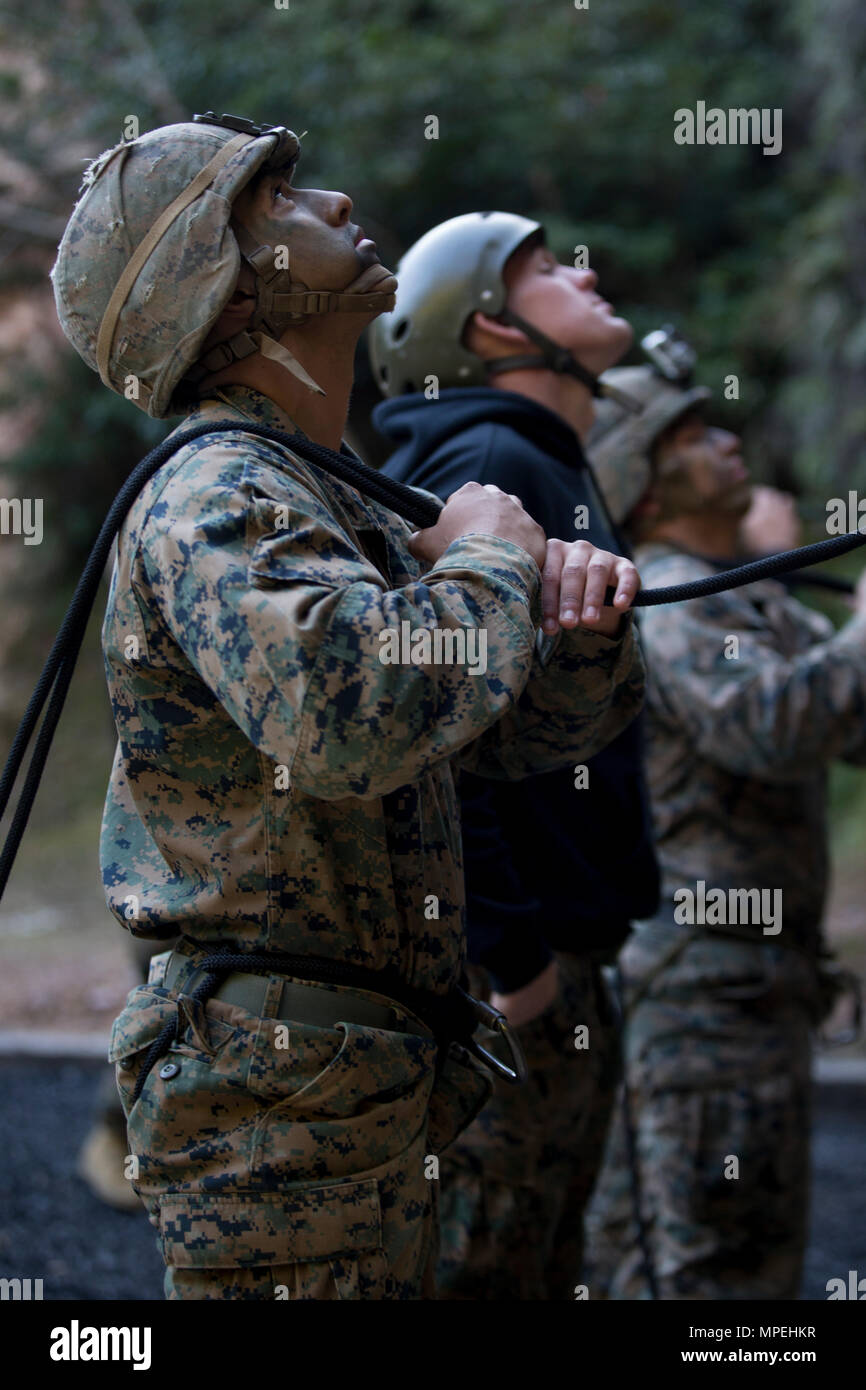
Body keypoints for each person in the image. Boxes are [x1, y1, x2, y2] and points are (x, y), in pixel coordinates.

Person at [50, 114, 645, 1300]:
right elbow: (346, 715)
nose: (327, 202)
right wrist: (484, 564)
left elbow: (504, 738)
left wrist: (577, 631)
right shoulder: (218, 491)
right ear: (219, 297)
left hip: (363, 1079)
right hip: (283, 1099)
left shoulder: (334, 496)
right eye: (274, 201)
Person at [369, 213, 659, 1299]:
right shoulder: (489, 463)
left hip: (561, 963)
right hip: (521, 984)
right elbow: (431, 734)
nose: (586, 268)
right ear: (488, 325)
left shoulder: (535, 459)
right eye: (545, 267)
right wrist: (510, 965)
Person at [582, 347, 866, 1300]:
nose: (730, 440)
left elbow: (842, 719)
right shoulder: (674, 602)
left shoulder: (739, 596)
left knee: (711, 1263)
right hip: (707, 999)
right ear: (647, 482)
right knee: (711, 1273)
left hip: (752, 990)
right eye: (697, 434)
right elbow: (769, 727)